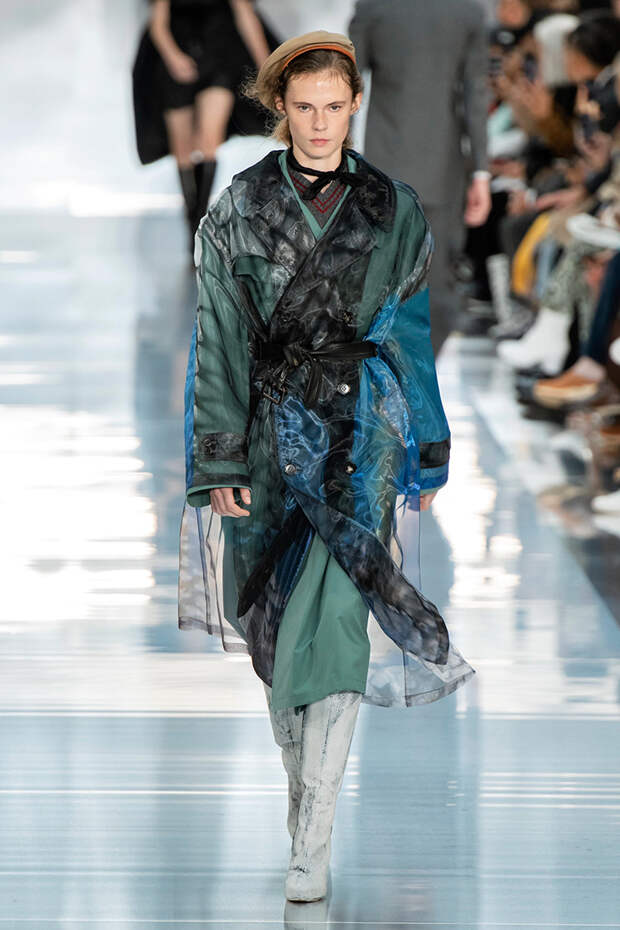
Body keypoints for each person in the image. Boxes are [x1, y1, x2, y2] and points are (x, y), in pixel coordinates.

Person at [177, 30, 476, 903]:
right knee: (275, 637)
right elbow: (218, 337)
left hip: (359, 436)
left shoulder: (392, 208)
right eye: (304, 108)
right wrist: (218, 460)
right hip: (268, 438)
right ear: (281, 108)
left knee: (340, 628)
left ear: (355, 107)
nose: (318, 124)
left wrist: (426, 444)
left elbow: (409, 331)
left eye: (334, 107)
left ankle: (316, 834)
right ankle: (301, 793)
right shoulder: (239, 206)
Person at [348, 0, 492, 355]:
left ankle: (382, 366)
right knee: (436, 274)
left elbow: (345, 87)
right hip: (442, 163)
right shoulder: (467, 11)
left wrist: (336, 160)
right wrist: (481, 171)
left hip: (384, 161)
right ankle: (423, 366)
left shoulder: (374, 7)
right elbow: (475, 93)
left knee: (378, 271)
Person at [132, 0, 279, 250]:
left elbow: (245, 15)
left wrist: (267, 69)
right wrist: (173, 57)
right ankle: (191, 219)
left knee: (209, 141)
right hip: (176, 54)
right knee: (182, 148)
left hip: (220, 55)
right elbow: (158, 22)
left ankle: (199, 223)